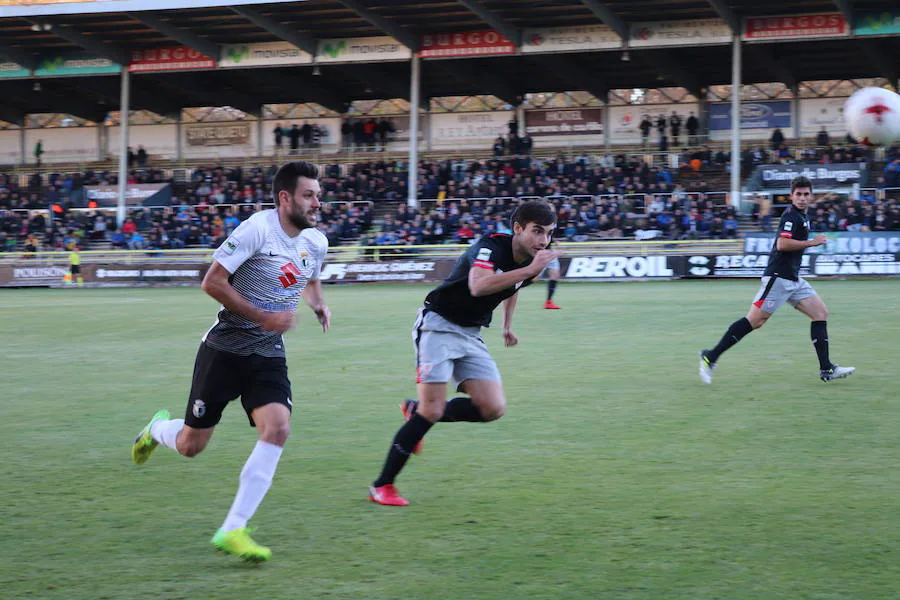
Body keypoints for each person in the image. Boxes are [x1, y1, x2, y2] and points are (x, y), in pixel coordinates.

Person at [130, 161, 331, 562]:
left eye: (319, 196)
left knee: (278, 428)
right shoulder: (257, 229)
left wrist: (318, 304)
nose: (317, 204)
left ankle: (233, 528)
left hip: (268, 353)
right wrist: (264, 316)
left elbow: (309, 277)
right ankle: (156, 428)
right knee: (191, 445)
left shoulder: (317, 242)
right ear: (285, 198)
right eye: (309, 195)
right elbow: (212, 281)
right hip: (224, 351)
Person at [368, 200, 560, 507]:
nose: (544, 240)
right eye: (537, 231)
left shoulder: (531, 261)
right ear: (518, 229)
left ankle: (415, 409)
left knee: (492, 408)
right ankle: (382, 486)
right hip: (438, 326)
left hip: (471, 333)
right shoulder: (490, 247)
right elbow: (478, 286)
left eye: (549, 233)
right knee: (431, 411)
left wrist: (506, 326)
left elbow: (516, 287)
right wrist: (529, 269)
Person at [699, 176, 855, 384]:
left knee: (820, 313)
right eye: (798, 194)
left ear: (811, 196)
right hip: (778, 278)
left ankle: (826, 369)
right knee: (755, 321)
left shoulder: (802, 216)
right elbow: (782, 244)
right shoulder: (791, 216)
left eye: (805, 194)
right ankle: (711, 356)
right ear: (791, 196)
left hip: (793, 279)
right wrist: (812, 243)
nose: (801, 198)